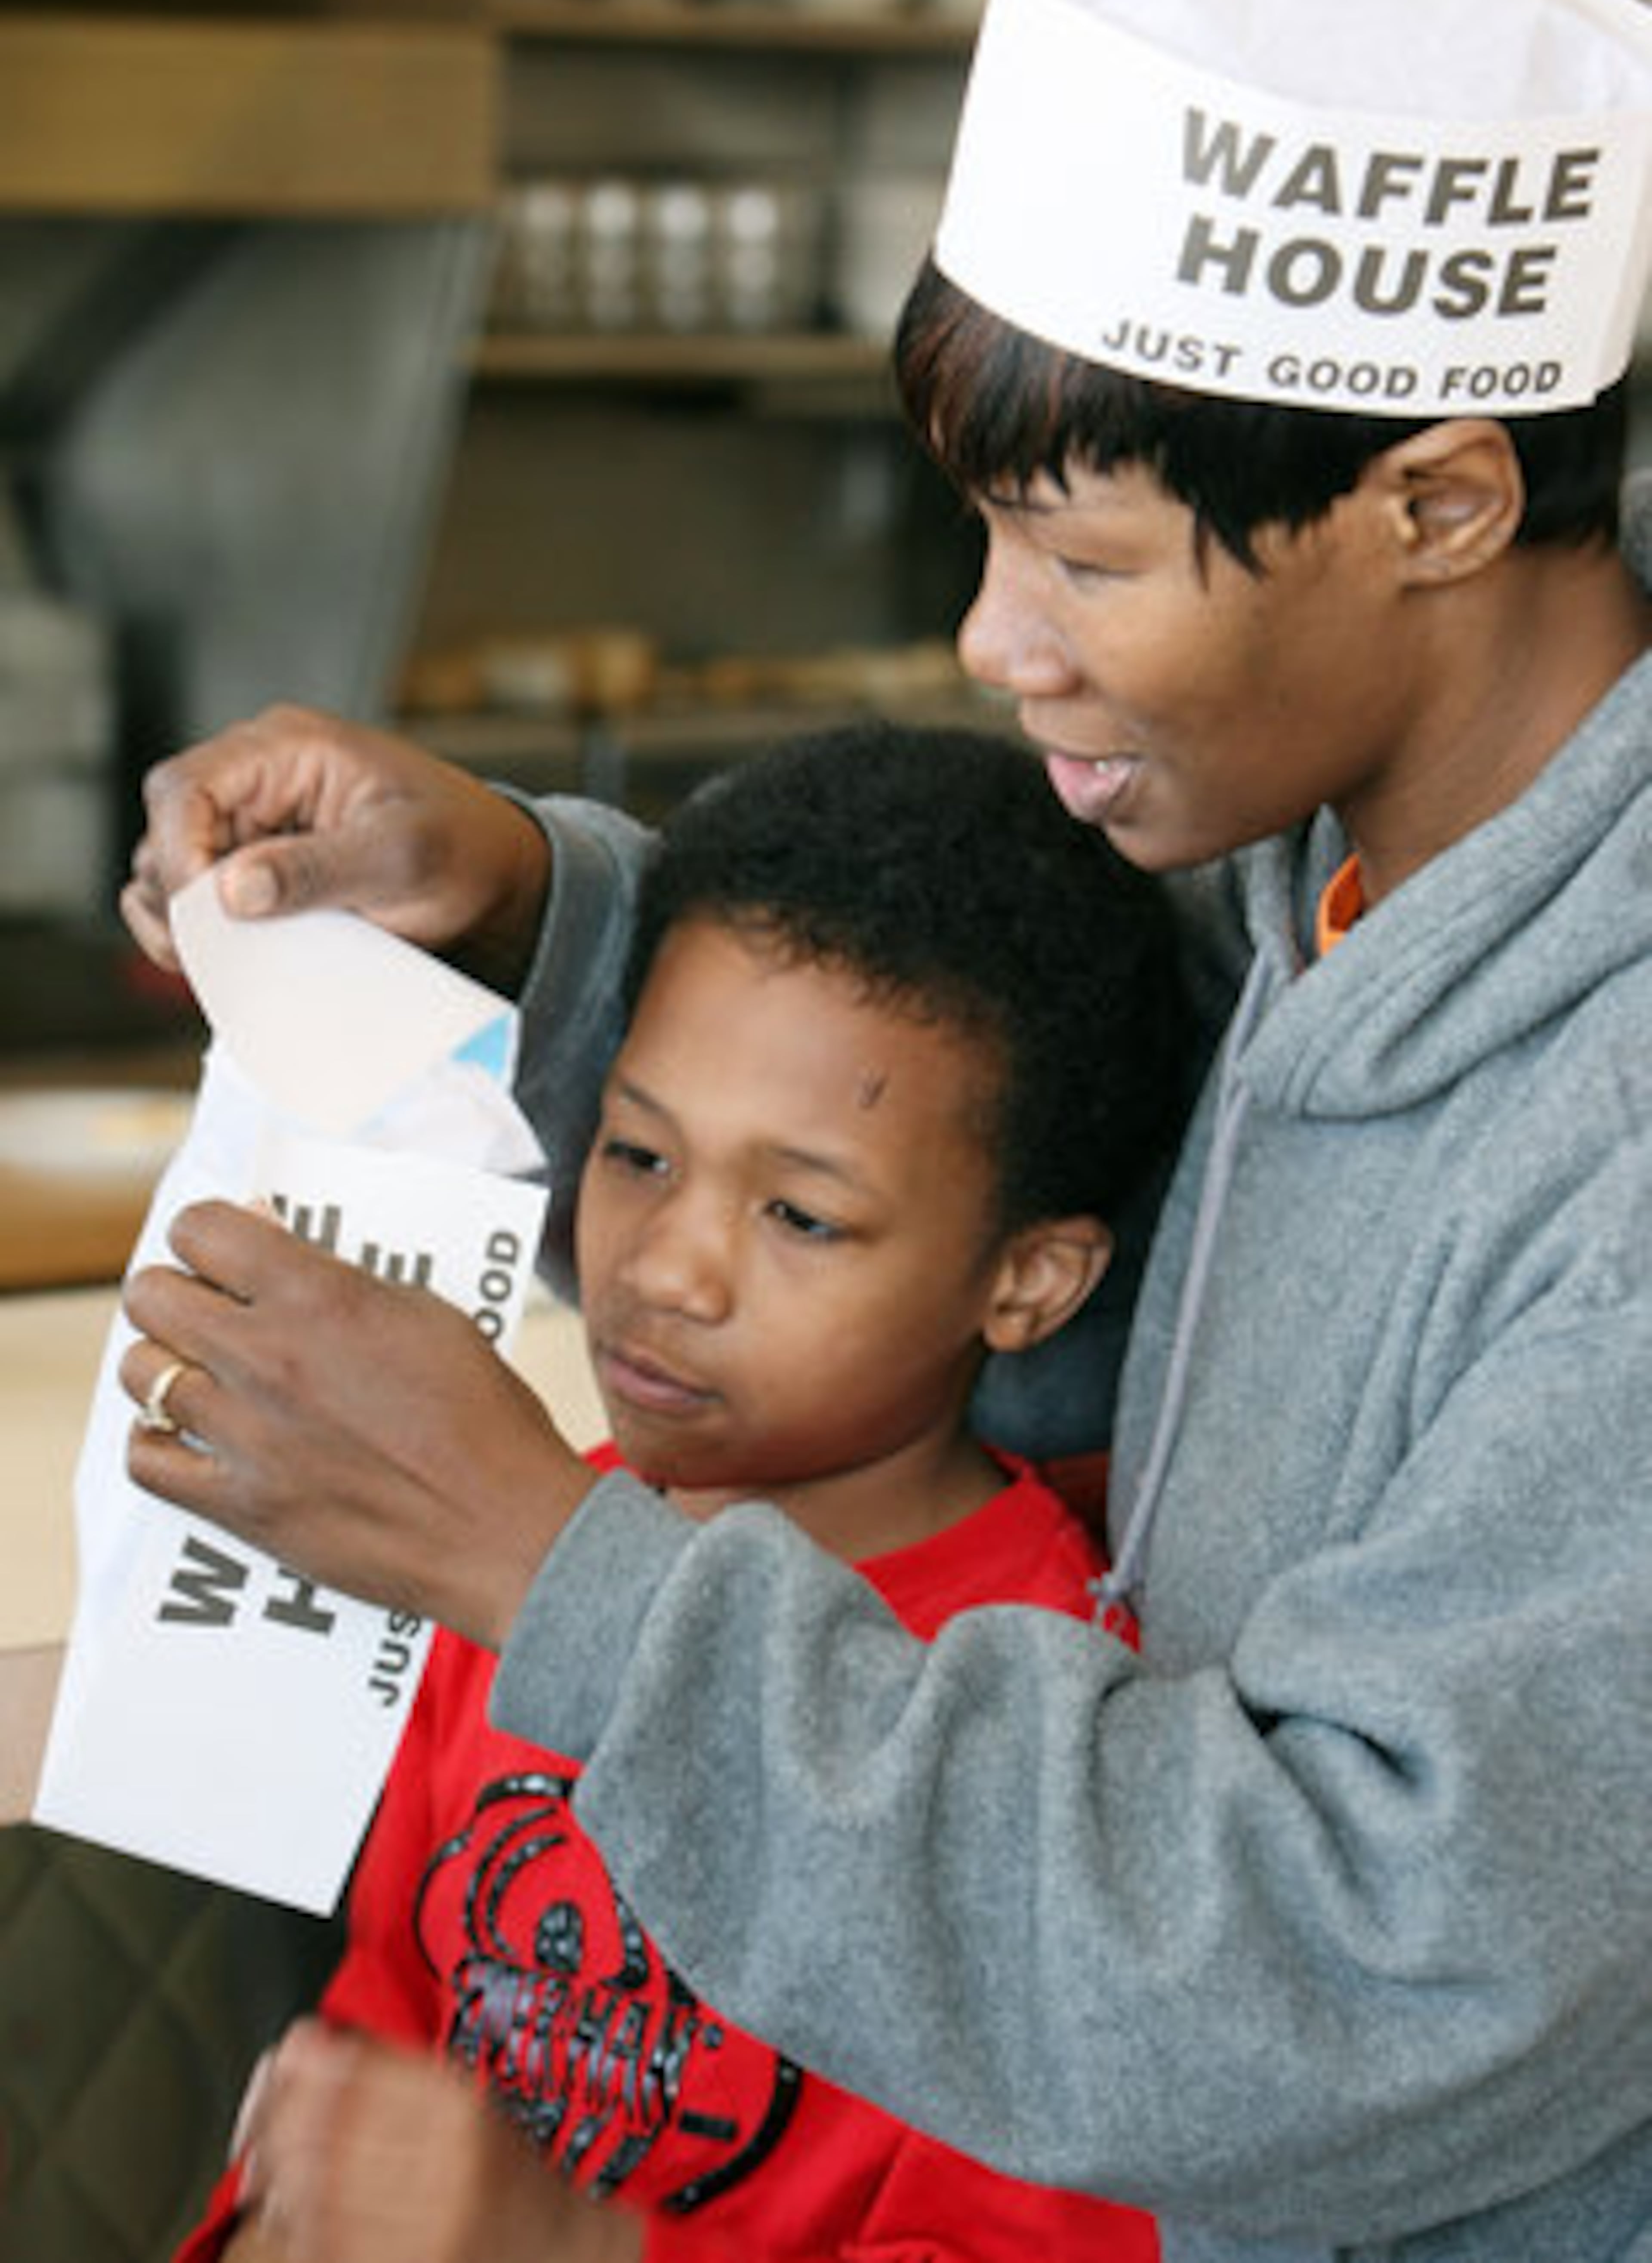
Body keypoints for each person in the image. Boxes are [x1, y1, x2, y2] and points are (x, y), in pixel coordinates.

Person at [118, 0, 1652, 2263]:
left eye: (1082, 553)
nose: (989, 637)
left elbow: (1376, 1968)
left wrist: (552, 1564)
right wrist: (524, 896)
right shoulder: (1318, 874)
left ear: (1437, 507)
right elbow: (1020, 1103)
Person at [173, 721, 1177, 2263]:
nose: (667, 1269)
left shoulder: (1047, 1720)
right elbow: (386, 2025)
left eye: (800, 1214)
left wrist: (571, 2249)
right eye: (637, 1153)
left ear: (1030, 1281)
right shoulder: (513, 1532)